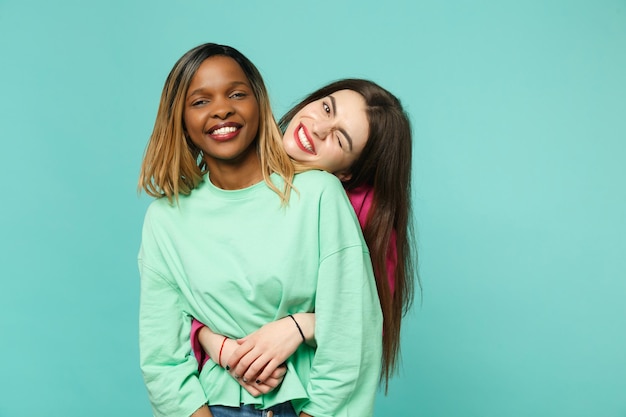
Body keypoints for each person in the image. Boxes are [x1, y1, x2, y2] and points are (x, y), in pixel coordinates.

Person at [138, 43, 382, 417]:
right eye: (200, 101)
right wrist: (215, 345)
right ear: (180, 121)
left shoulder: (319, 195)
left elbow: (352, 340)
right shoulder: (165, 220)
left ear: (260, 102)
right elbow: (162, 359)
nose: (222, 109)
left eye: (237, 94)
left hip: (300, 406)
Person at [191, 79, 417, 395]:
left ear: (347, 173)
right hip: (218, 391)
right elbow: (182, 286)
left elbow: (367, 321)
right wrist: (219, 346)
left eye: (340, 139)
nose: (319, 128)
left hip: (304, 395)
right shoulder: (231, 165)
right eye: (326, 108)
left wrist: (299, 327)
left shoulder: (357, 211)